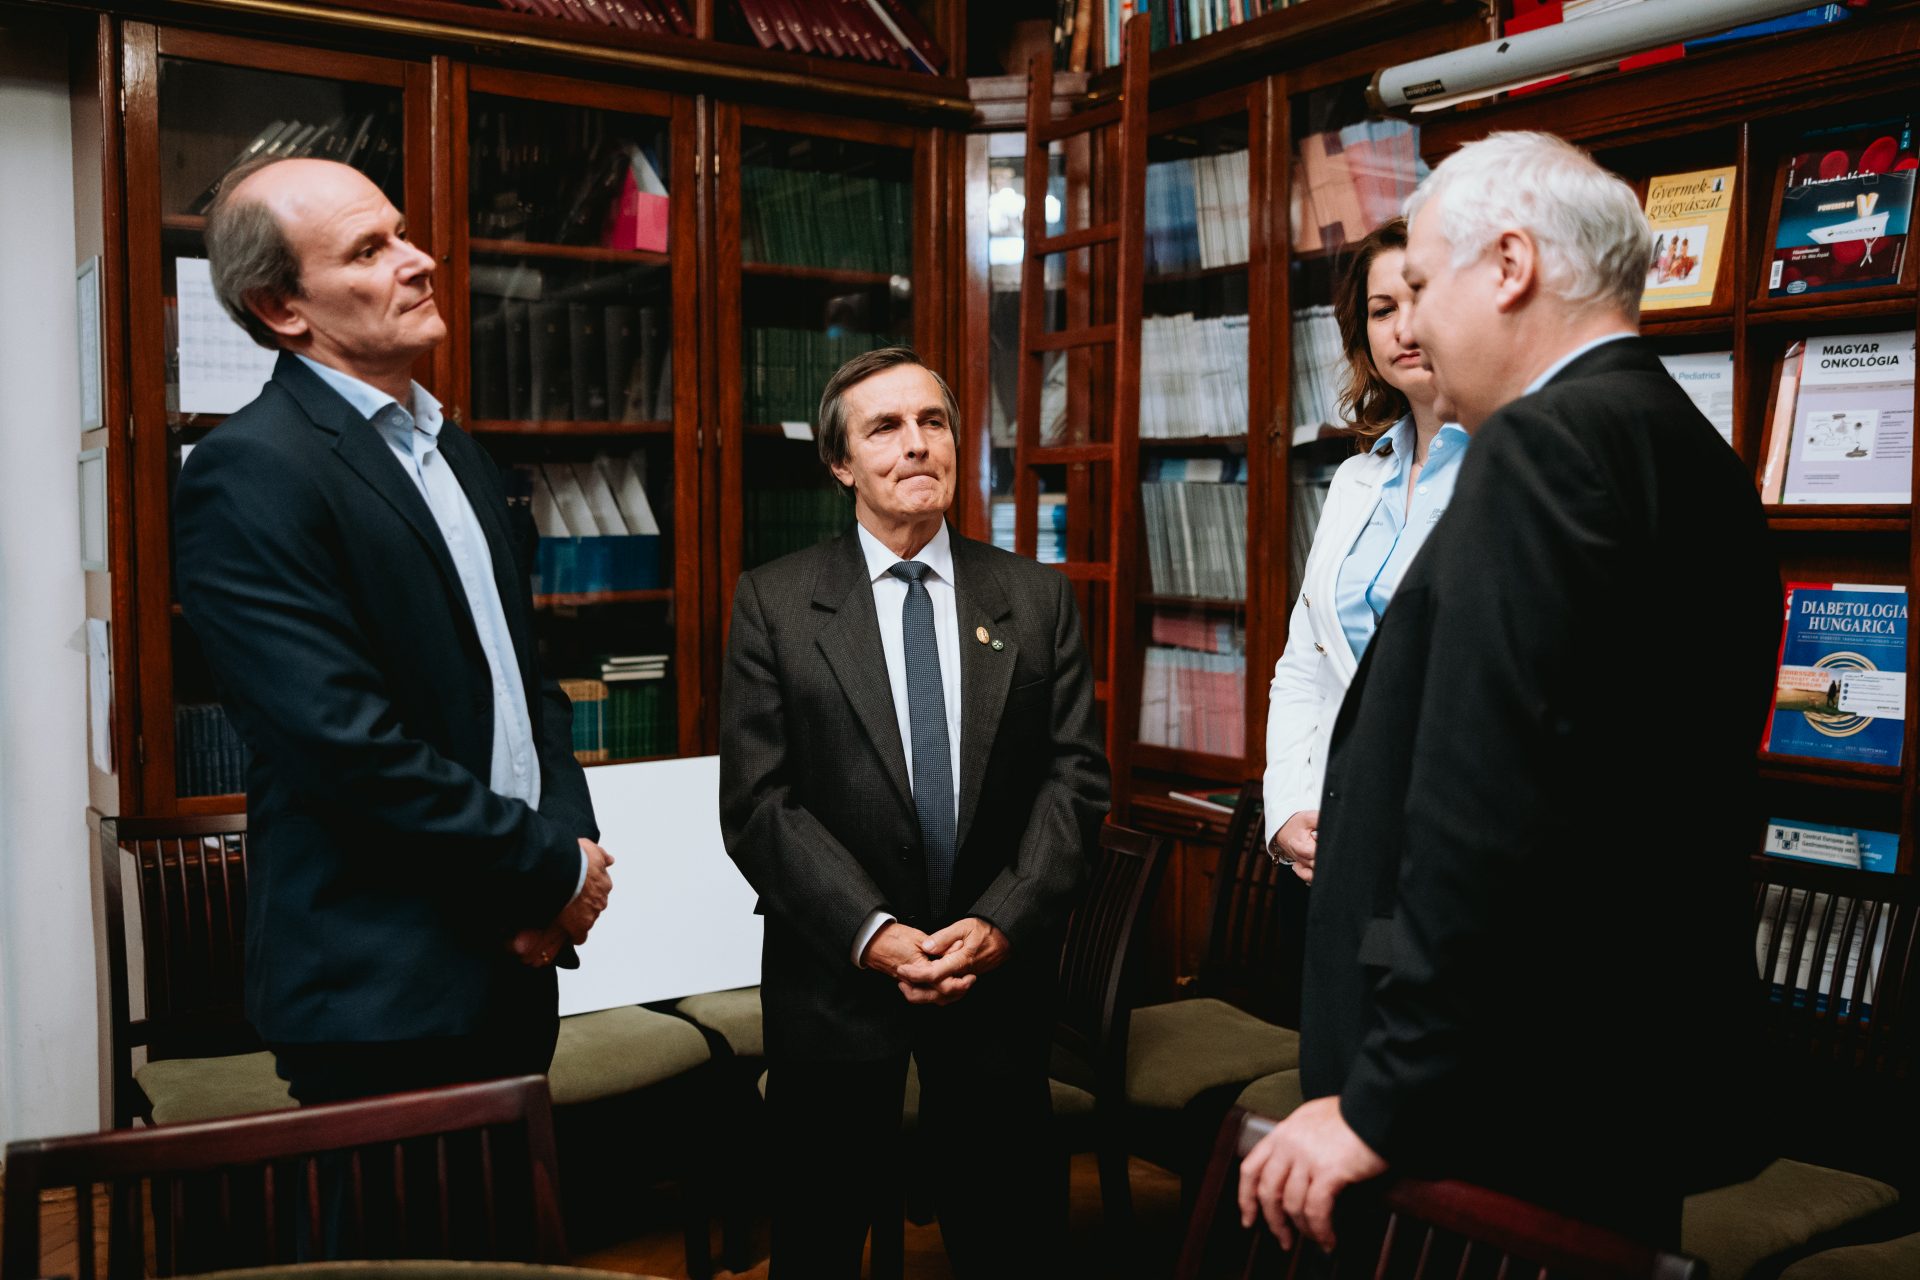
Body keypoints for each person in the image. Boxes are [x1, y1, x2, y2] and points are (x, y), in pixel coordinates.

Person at [1239, 131, 1779, 1250]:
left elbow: (1488, 810)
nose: (1415, 326)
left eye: (1426, 286)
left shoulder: (1540, 449)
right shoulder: (1696, 453)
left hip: (1484, 1105)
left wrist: (1381, 1096)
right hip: (1617, 1075)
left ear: (1513, 266)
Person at [175, 157, 613, 1107]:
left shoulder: (454, 447)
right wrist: (546, 868)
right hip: (383, 987)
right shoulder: (247, 472)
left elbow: (523, 683)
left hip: (514, 959)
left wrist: (563, 874)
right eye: (370, 251)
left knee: (508, 1259)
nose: (419, 261)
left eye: (403, 233)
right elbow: (346, 749)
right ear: (282, 308)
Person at [719, 347, 1109, 1278]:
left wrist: (1003, 922)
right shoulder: (774, 604)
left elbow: (1075, 784)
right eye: (884, 427)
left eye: (932, 422)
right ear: (842, 464)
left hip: (994, 985)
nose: (915, 444)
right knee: (818, 1242)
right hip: (836, 984)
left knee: (1012, 1241)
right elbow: (759, 805)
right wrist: (874, 932)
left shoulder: (1035, 597)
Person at [1263, 218, 1466, 882]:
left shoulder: (1510, 468)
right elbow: (1304, 666)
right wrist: (1288, 809)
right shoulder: (1357, 479)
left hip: (1445, 843)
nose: (1403, 329)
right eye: (1382, 310)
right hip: (1332, 835)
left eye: (1421, 300)